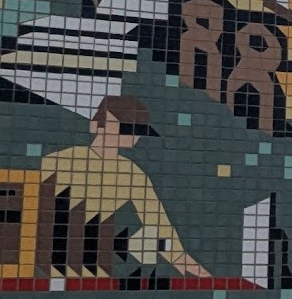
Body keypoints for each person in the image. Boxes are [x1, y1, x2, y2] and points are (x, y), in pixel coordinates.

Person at [40, 96, 212, 280]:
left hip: (89, 260)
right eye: (127, 126)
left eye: (138, 128)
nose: (134, 135)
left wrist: (181, 259)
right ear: (97, 126)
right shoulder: (58, 161)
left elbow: (157, 221)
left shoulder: (132, 173)